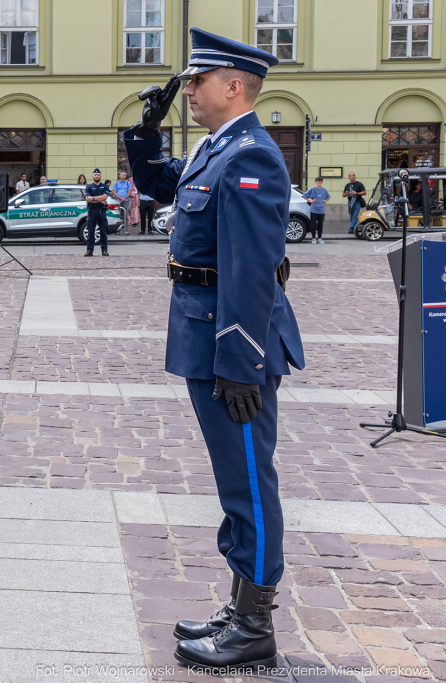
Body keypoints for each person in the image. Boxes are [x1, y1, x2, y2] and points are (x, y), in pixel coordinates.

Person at [124, 28, 304, 671]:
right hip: (205, 333)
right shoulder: (217, 148)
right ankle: (240, 606)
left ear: (234, 86)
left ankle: (255, 625)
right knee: (236, 479)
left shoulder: (252, 155)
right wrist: (144, 134)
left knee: (249, 483)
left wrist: (240, 360)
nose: (187, 90)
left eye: (197, 81)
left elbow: (252, 271)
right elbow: (164, 187)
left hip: (233, 345)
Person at [84, 168, 110, 256]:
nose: (97, 176)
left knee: (103, 231)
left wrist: (93, 198)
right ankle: (89, 250)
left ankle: (104, 250)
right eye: (95, 175)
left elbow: (104, 197)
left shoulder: (105, 186)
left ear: (101, 176)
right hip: (92, 211)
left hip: (101, 211)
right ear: (92, 176)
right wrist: (100, 199)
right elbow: (88, 199)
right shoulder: (89, 187)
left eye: (98, 175)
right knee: (91, 232)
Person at [302, 177, 331, 244]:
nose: (319, 182)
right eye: (318, 181)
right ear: (315, 182)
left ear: (322, 182)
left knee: (320, 224)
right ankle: (313, 238)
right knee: (313, 224)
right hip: (314, 209)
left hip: (321, 210)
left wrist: (325, 201)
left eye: (320, 181)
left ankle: (320, 238)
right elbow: (304, 195)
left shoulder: (324, 190)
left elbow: (328, 196)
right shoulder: (312, 189)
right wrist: (311, 201)